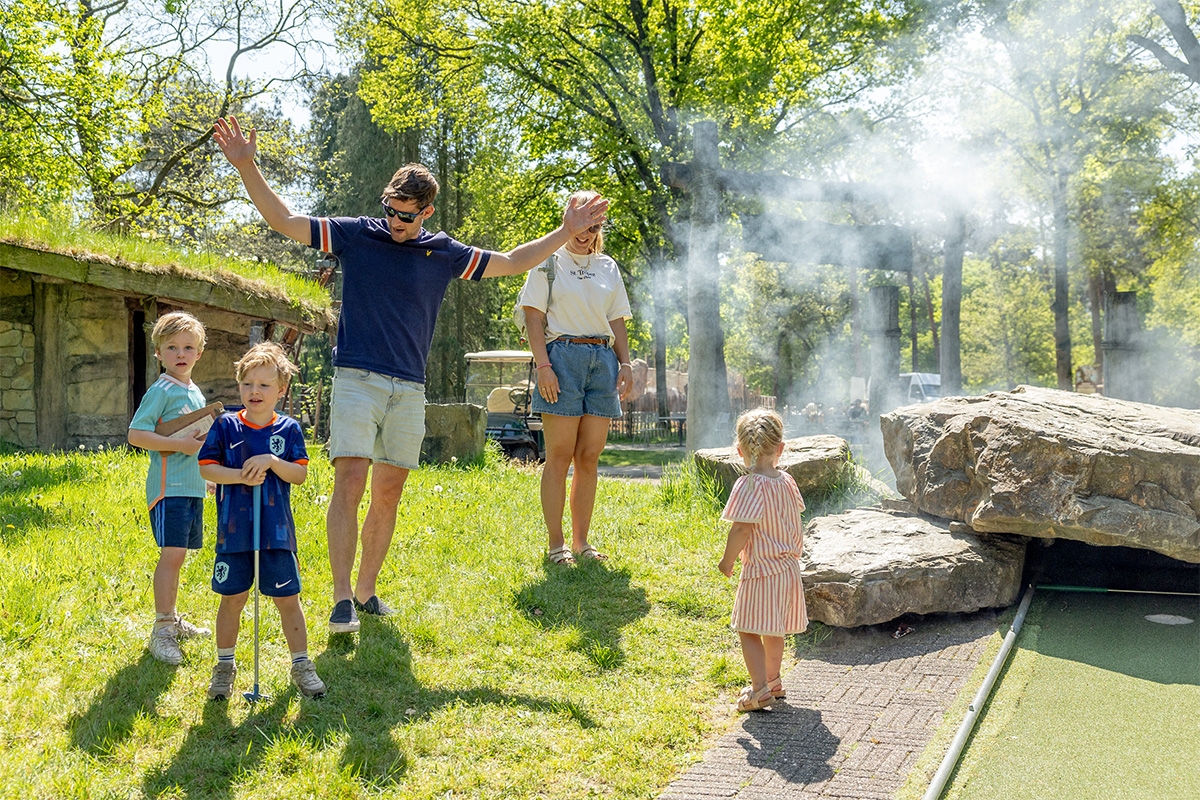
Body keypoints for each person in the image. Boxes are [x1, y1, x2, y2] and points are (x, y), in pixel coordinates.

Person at [213, 116, 608, 633]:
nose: (395, 222)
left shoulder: (442, 252)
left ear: (426, 211)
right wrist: (247, 168)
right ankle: (339, 599)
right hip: (357, 377)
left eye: (405, 216)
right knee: (350, 479)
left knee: (389, 490)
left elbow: (512, 262)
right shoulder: (358, 236)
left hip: (409, 387)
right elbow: (286, 220)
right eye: (390, 211)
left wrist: (565, 231)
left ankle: (367, 591)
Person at [198, 342, 325, 699]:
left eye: (265, 385)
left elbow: (298, 475)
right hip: (234, 533)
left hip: (276, 533)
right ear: (239, 386)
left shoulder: (288, 430)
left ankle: (301, 664)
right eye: (248, 384)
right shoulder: (225, 427)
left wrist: (270, 461)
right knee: (232, 598)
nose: (255, 391)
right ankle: (224, 667)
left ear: (281, 390)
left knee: (288, 599)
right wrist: (239, 476)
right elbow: (206, 467)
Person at [519, 190, 633, 565]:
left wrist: (626, 363)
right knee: (560, 456)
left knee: (589, 457)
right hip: (561, 358)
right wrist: (544, 366)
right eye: (579, 222)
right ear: (568, 216)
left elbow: (616, 319)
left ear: (599, 226)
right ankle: (557, 545)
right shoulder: (547, 261)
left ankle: (582, 543)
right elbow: (534, 317)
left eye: (593, 225)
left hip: (602, 360)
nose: (584, 233)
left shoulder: (608, 267)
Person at [127, 311, 213, 665]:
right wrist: (180, 447)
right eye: (172, 347)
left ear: (199, 353)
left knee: (180, 555)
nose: (181, 353)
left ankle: (173, 619)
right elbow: (136, 434)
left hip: (191, 488)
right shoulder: (161, 390)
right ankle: (162, 627)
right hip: (169, 489)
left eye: (188, 347)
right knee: (172, 554)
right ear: (158, 353)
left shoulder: (193, 391)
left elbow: (196, 440)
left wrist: (206, 477)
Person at [717, 408, 808, 713]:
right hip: (788, 568)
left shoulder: (749, 485)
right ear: (781, 449)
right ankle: (774, 680)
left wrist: (728, 560)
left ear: (740, 450)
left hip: (761, 570)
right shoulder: (787, 482)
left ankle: (759, 691)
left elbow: (742, 528)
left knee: (748, 628)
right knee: (774, 629)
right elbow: (794, 520)